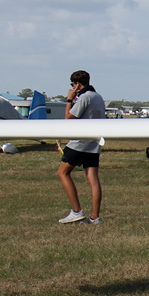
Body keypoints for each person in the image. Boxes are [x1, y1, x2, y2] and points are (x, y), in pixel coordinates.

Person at [58, 70, 105, 224]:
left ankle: (76, 210)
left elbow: (68, 118)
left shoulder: (84, 97)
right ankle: (95, 217)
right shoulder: (98, 96)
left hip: (79, 142)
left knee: (62, 173)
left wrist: (69, 99)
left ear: (77, 84)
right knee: (93, 179)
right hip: (94, 143)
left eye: (72, 85)